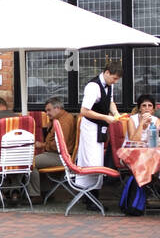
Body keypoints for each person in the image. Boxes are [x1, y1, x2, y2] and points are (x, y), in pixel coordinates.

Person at [77, 61, 122, 189]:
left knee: (98, 160)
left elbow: (110, 101)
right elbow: (84, 111)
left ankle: (94, 193)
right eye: (114, 78)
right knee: (90, 161)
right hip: (90, 128)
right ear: (107, 73)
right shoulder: (93, 87)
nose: (115, 82)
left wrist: (116, 113)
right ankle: (89, 195)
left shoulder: (108, 84)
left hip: (100, 128)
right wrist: (105, 117)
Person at [34, 95, 76, 195]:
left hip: (60, 156)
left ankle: (35, 194)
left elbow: (60, 145)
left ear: (57, 108)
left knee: (30, 162)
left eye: (49, 110)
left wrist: (43, 145)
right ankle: (45, 191)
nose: (47, 113)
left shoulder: (64, 122)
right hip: (57, 155)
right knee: (34, 161)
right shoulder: (60, 119)